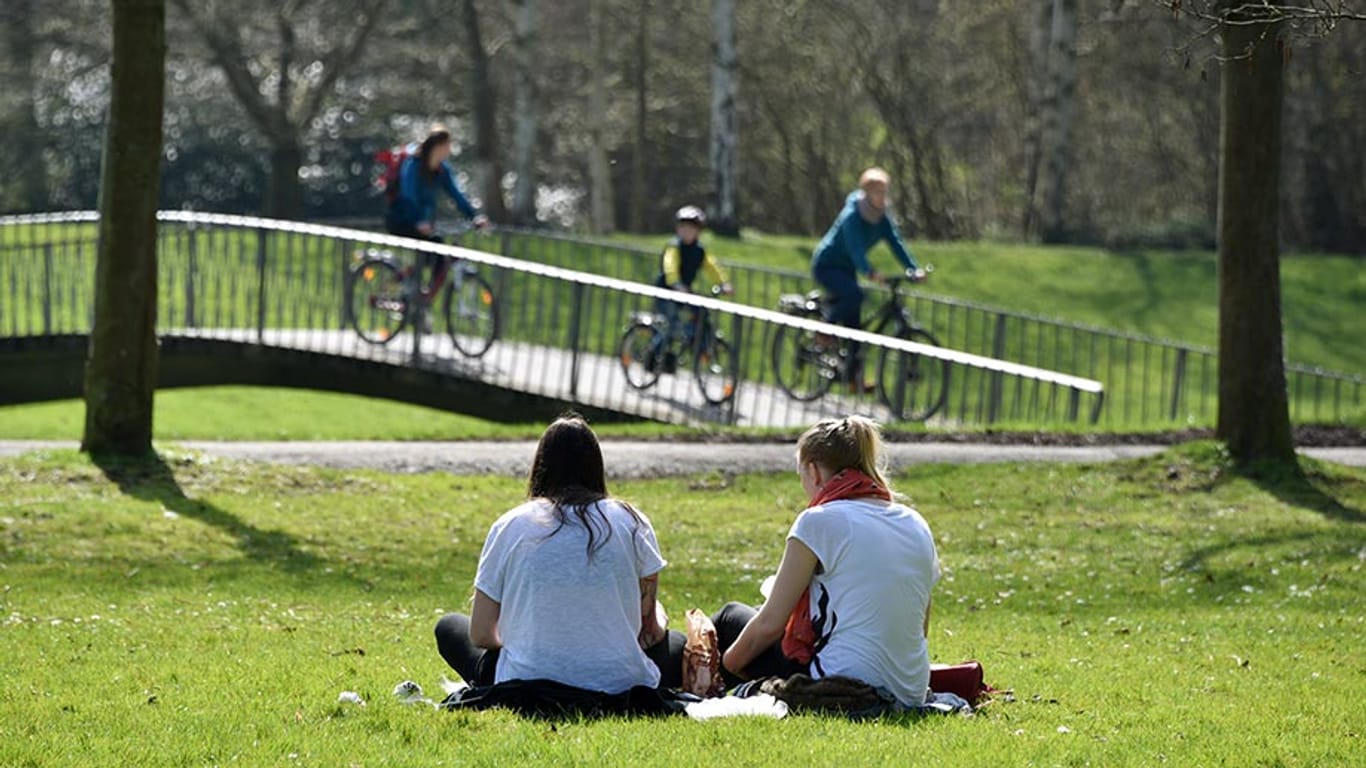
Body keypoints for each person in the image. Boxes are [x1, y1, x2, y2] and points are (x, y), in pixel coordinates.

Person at [434, 415, 685, 694]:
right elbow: (649, 634)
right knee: (680, 645)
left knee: (448, 627)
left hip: (527, 680)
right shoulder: (632, 521)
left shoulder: (511, 525)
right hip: (620, 682)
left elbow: (481, 634)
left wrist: (532, 637)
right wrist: (659, 617)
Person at [710, 416, 940, 709]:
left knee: (731, 618)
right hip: (910, 688)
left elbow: (769, 625)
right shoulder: (915, 522)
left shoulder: (819, 521)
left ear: (813, 471)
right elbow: (919, 628)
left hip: (841, 680)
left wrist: (725, 667)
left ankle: (696, 684)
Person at [811, 168, 925, 391]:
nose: (883, 197)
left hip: (847, 270)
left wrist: (913, 268)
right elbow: (855, 249)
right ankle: (824, 329)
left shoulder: (881, 218)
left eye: (885, 192)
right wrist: (869, 271)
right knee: (855, 294)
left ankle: (852, 378)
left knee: (855, 329)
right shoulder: (852, 216)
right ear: (867, 193)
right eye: (878, 192)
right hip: (827, 265)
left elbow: (896, 243)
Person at [385, 126, 489, 292]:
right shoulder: (413, 166)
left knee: (437, 258)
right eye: (448, 145)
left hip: (425, 225)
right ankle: (413, 293)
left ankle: (420, 297)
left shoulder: (442, 170)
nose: (449, 150)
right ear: (438, 146)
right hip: (402, 220)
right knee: (435, 256)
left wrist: (474, 216)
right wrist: (418, 221)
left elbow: (456, 194)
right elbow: (408, 196)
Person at [648, 205, 733, 372]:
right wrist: (676, 283)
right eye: (683, 228)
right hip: (667, 291)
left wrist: (724, 283)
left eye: (691, 229)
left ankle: (699, 348)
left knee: (701, 313)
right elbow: (669, 266)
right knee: (670, 326)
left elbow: (712, 267)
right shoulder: (674, 247)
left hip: (684, 291)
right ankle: (653, 356)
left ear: (698, 232)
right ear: (678, 229)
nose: (687, 232)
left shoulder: (699, 251)